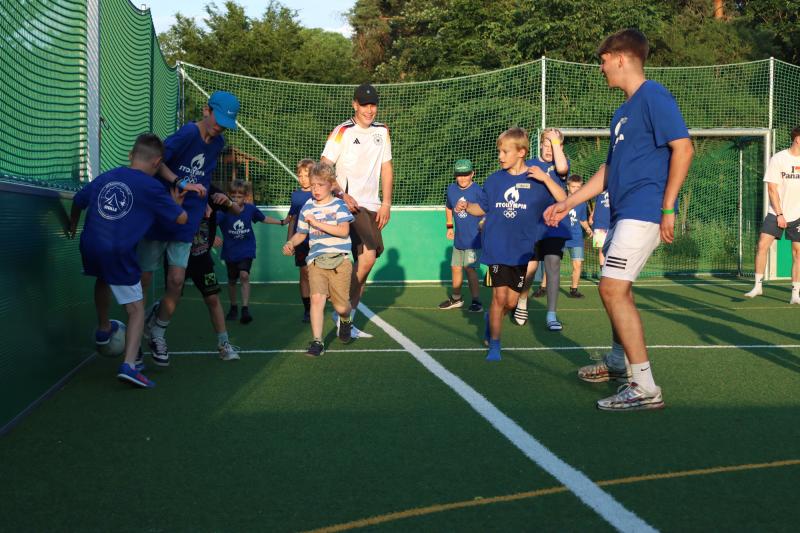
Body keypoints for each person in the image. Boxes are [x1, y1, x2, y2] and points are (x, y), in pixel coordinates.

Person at [544, 29, 694, 411]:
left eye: (604, 59)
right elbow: (608, 170)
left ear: (622, 58)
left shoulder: (654, 95)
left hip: (645, 210)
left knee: (611, 288)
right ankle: (616, 362)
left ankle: (644, 386)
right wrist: (568, 202)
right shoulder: (622, 112)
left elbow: (684, 148)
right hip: (624, 212)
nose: (601, 67)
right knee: (616, 289)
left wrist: (668, 207)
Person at [69, 134, 187, 388]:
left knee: (103, 278)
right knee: (136, 310)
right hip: (118, 251)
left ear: (131, 155)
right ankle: (130, 365)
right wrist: (176, 204)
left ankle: (103, 329)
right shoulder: (152, 187)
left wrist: (72, 224)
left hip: (89, 245)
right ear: (157, 163)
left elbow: (78, 201)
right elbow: (181, 219)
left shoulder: (107, 176)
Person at [139, 90, 240, 367]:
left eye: (226, 124)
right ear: (207, 111)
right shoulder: (186, 134)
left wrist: (205, 201)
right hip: (162, 212)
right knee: (145, 278)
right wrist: (180, 183)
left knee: (176, 281)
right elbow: (156, 162)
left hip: (188, 219)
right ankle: (135, 341)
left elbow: (204, 176)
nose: (220, 128)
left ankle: (158, 332)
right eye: (218, 120)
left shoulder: (218, 143)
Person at [455, 127, 565, 361]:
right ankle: (495, 345)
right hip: (496, 248)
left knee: (512, 302)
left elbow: (563, 199)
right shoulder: (494, 180)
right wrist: (467, 207)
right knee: (498, 298)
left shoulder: (537, 180)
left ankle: (491, 319)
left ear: (521, 152)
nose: (500, 156)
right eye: (499, 151)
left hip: (522, 251)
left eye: (505, 152)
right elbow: (481, 208)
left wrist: (546, 178)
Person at [321, 83, 393, 339]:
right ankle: (341, 304)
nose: (369, 110)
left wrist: (386, 203)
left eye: (373, 105)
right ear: (355, 105)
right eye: (364, 105)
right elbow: (324, 167)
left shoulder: (382, 131)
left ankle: (345, 317)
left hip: (373, 206)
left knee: (365, 263)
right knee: (368, 257)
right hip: (348, 205)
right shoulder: (342, 131)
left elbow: (386, 167)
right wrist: (342, 194)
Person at [283, 162, 355, 356]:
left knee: (341, 306)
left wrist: (317, 223)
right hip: (315, 260)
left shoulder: (339, 205)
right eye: (313, 185)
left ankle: (346, 319)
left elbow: (343, 231)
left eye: (320, 185)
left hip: (340, 261)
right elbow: (301, 233)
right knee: (316, 299)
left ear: (331, 184)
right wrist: (291, 243)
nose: (315, 189)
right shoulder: (307, 207)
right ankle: (317, 342)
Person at [513, 128, 570, 330]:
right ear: (540, 145)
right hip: (532, 224)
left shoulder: (561, 164)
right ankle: (522, 300)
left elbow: (562, 186)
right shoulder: (529, 165)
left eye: (553, 146)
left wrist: (545, 176)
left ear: (560, 147)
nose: (548, 150)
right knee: (530, 268)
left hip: (554, 224)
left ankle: (551, 314)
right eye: (546, 145)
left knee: (553, 263)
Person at [184, 185, 243, 360]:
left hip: (202, 258)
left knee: (212, 298)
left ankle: (224, 344)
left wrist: (228, 201)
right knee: (171, 297)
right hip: (179, 256)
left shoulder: (211, 190)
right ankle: (155, 326)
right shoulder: (179, 188)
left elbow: (237, 211)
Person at [744, 126, 800, 304]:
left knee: (798, 253)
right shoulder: (778, 159)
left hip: (798, 214)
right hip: (776, 212)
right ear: (797, 139)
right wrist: (780, 214)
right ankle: (757, 286)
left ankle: (795, 294)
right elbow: (772, 189)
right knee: (762, 245)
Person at [218, 179, 286, 324]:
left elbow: (263, 218)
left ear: (245, 196)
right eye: (233, 196)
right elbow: (210, 223)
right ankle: (233, 307)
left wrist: (281, 222)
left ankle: (245, 308)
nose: (236, 199)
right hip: (230, 251)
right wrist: (212, 238)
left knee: (244, 275)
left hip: (246, 249)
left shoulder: (250, 209)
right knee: (232, 280)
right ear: (228, 195)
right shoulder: (223, 211)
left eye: (239, 196)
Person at [439, 159, 483, 312]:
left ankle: (476, 301)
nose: (462, 178)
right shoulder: (451, 189)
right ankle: (456, 299)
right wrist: (449, 226)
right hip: (459, 239)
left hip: (474, 239)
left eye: (466, 174)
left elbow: (486, 210)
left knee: (469, 269)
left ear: (472, 174)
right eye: (459, 175)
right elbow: (448, 207)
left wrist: (483, 223)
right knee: (455, 267)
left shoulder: (478, 191)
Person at [285, 159, 315, 322]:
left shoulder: (320, 194)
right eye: (300, 175)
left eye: (306, 175)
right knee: (304, 272)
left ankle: (320, 302)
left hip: (317, 241)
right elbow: (292, 219)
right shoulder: (296, 196)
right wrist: (289, 241)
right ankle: (308, 309)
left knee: (319, 273)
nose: (303, 179)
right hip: (301, 241)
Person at [563, 175, 593, 297]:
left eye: (578, 187)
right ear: (568, 186)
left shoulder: (582, 203)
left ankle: (574, 289)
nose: (575, 189)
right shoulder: (560, 199)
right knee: (553, 264)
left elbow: (582, 219)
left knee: (578, 264)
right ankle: (543, 287)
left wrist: (588, 229)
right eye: (573, 186)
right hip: (560, 237)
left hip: (576, 238)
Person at [589, 170, 611, 276]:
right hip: (600, 222)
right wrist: (592, 215)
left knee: (612, 248)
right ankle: (604, 274)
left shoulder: (616, 186)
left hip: (612, 222)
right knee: (601, 248)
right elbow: (596, 203)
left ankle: (612, 274)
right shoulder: (599, 188)